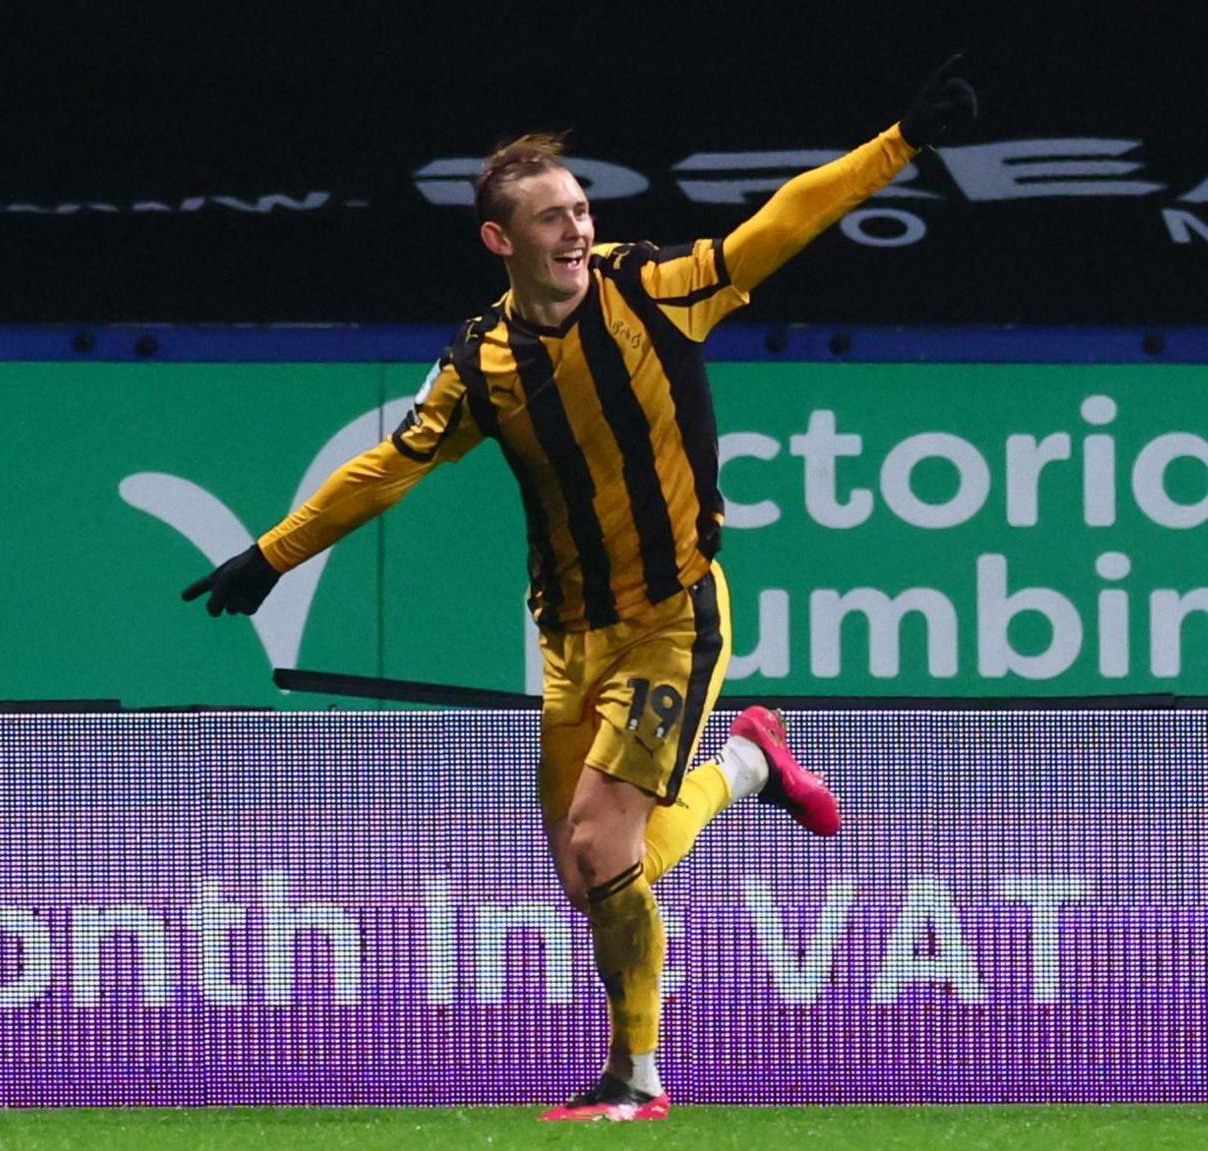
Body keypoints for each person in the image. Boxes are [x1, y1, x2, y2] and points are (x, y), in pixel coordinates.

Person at [185, 57, 978, 1122]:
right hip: (568, 638)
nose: (573, 227)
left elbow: (779, 224)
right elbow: (390, 466)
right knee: (596, 870)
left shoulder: (653, 290)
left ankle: (635, 1076)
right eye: (549, 216)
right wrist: (272, 553)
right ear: (498, 240)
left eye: (579, 207)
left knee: (603, 849)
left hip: (672, 617)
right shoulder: (480, 361)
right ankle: (745, 762)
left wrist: (900, 142)